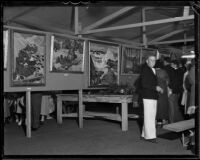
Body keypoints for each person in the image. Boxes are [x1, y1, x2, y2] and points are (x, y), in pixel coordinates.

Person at [140, 55, 163, 143]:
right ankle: (150, 137)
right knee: (150, 117)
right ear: (147, 61)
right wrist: (155, 87)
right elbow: (144, 84)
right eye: (151, 60)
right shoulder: (146, 69)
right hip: (148, 96)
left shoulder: (151, 69)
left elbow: (150, 82)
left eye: (154, 60)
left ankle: (144, 134)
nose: (153, 62)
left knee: (150, 116)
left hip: (152, 96)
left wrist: (157, 87)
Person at [155, 60, 170, 126]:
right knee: (163, 105)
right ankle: (163, 121)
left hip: (155, 90)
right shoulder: (164, 72)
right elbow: (167, 81)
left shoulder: (153, 71)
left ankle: (156, 121)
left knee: (156, 106)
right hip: (163, 90)